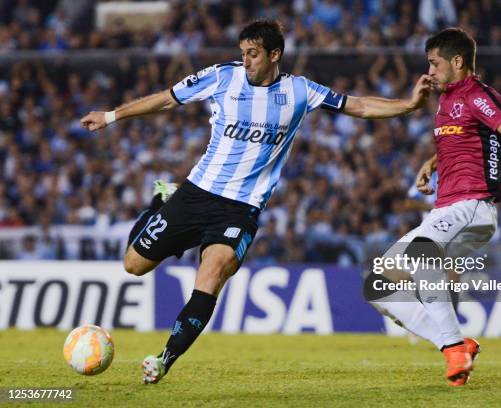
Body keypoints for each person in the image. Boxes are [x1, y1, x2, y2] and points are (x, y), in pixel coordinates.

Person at [80, 20, 433, 384]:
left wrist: (408, 104)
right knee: (133, 265)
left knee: (212, 273)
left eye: (252, 54)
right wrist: (111, 116)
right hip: (196, 193)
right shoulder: (221, 77)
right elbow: (169, 97)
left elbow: (357, 106)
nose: (245, 61)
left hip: (241, 208)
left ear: (274, 54)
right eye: (243, 54)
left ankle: (164, 359)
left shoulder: (299, 91)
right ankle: (160, 201)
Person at [364, 28, 501, 386]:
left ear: (457, 61)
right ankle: (456, 344)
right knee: (379, 287)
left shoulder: (477, 95)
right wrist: (431, 163)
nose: (429, 71)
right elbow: (464, 139)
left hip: (472, 205)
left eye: (434, 64)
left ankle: (452, 345)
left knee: (421, 255)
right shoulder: (448, 101)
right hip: (448, 209)